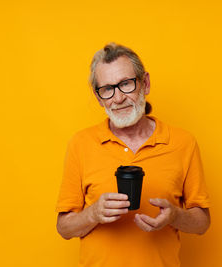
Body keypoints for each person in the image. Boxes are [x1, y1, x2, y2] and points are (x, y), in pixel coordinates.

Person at [55, 42, 211, 267]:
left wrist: (175, 216)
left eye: (126, 84)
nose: (118, 99)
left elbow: (202, 223)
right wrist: (93, 214)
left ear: (145, 83)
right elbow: (64, 229)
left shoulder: (183, 143)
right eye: (107, 89)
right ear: (99, 97)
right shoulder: (81, 143)